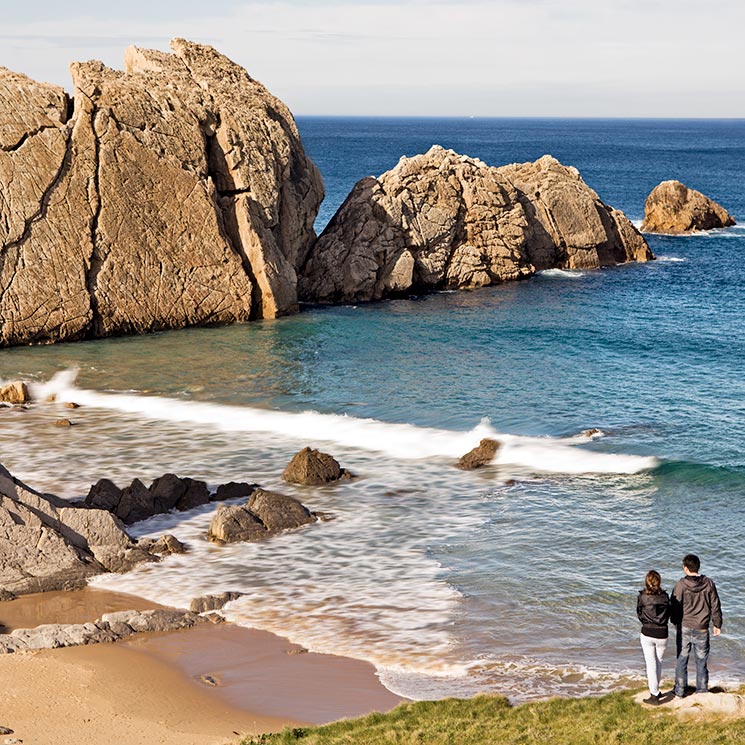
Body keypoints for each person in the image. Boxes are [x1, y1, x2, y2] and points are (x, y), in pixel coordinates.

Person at [671, 553, 723, 697]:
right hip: (702, 628)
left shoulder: (681, 585)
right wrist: (717, 624)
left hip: (685, 627)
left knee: (682, 660)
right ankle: (701, 691)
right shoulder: (709, 583)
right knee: (701, 661)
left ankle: (680, 691)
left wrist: (675, 622)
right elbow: (715, 605)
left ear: (686, 568)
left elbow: (674, 607)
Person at [637, 569, 670, 705]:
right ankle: (656, 690)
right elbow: (669, 613)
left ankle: (654, 695)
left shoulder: (642, 597)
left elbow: (639, 613)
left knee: (651, 664)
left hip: (647, 632)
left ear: (647, 582)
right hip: (662, 632)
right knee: (659, 662)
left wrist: (646, 622)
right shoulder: (665, 597)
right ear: (659, 582)